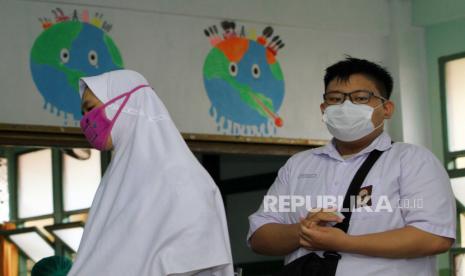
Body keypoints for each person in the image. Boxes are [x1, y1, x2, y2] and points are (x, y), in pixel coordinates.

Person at [247, 57, 455, 275]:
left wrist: (345, 243)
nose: (346, 107)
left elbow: (434, 237)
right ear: (323, 108)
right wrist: (303, 231)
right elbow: (259, 237)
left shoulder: (411, 160)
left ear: (387, 108)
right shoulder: (299, 164)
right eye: (335, 99)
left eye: (360, 98)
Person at [68, 69, 234, 276]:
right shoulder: (116, 180)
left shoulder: (181, 179)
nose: (86, 120)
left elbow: (195, 260)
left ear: (124, 104)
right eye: (84, 114)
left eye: (90, 108)